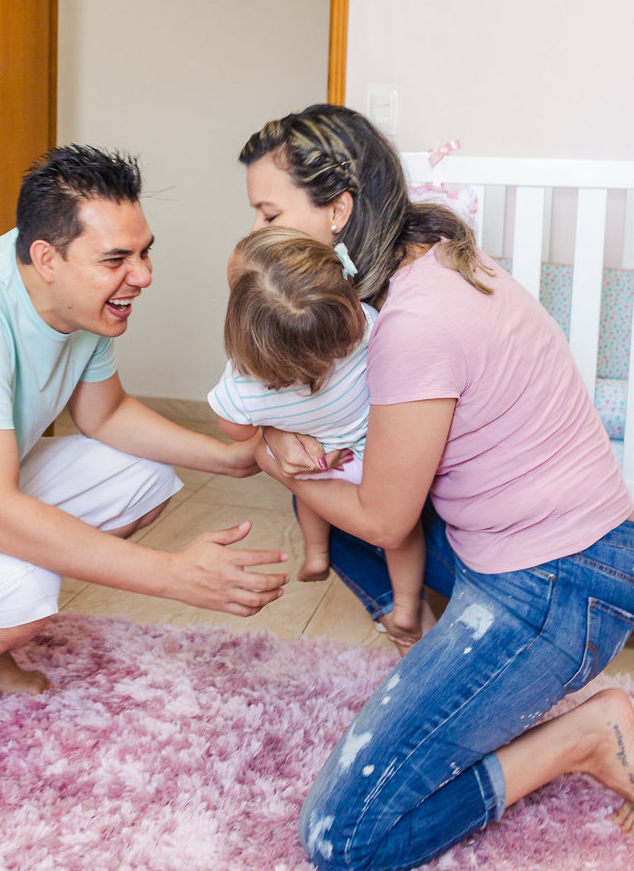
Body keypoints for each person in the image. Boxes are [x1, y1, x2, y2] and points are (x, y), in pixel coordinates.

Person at [238, 104, 634, 867]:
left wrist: (264, 451)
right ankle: (425, 649)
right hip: (536, 551)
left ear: (337, 210)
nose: (257, 233)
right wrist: (294, 444)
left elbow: (386, 521)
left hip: (561, 581)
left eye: (269, 213)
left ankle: (582, 737)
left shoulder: (415, 320)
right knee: (319, 492)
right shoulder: (432, 260)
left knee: (343, 838)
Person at [0, 145, 288, 760]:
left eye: (144, 252)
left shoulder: (75, 298)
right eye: (116, 260)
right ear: (46, 258)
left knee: (140, 476)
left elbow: (104, 415)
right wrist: (172, 575)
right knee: (19, 591)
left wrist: (232, 457)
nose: (143, 276)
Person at [208, 227, 433, 653]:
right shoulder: (369, 329)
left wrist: (272, 424)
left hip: (321, 462)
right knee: (404, 535)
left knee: (306, 491)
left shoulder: (245, 386)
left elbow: (235, 429)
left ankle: (316, 554)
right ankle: (406, 605)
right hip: (378, 459)